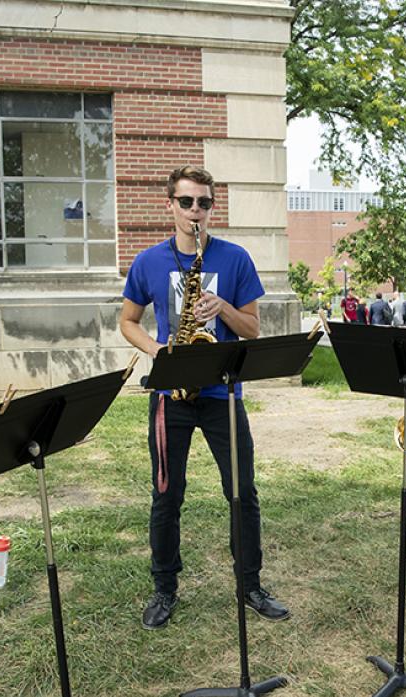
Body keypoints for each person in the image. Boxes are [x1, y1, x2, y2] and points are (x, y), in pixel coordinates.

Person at [119, 165, 289, 630]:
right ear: (170, 205)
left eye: (205, 203)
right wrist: (158, 349)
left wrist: (225, 308)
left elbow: (252, 329)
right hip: (169, 394)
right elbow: (128, 321)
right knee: (166, 495)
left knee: (242, 492)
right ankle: (164, 588)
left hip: (222, 392)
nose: (196, 210)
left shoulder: (235, 259)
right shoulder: (148, 261)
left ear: (213, 207)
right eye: (187, 202)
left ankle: (250, 585)